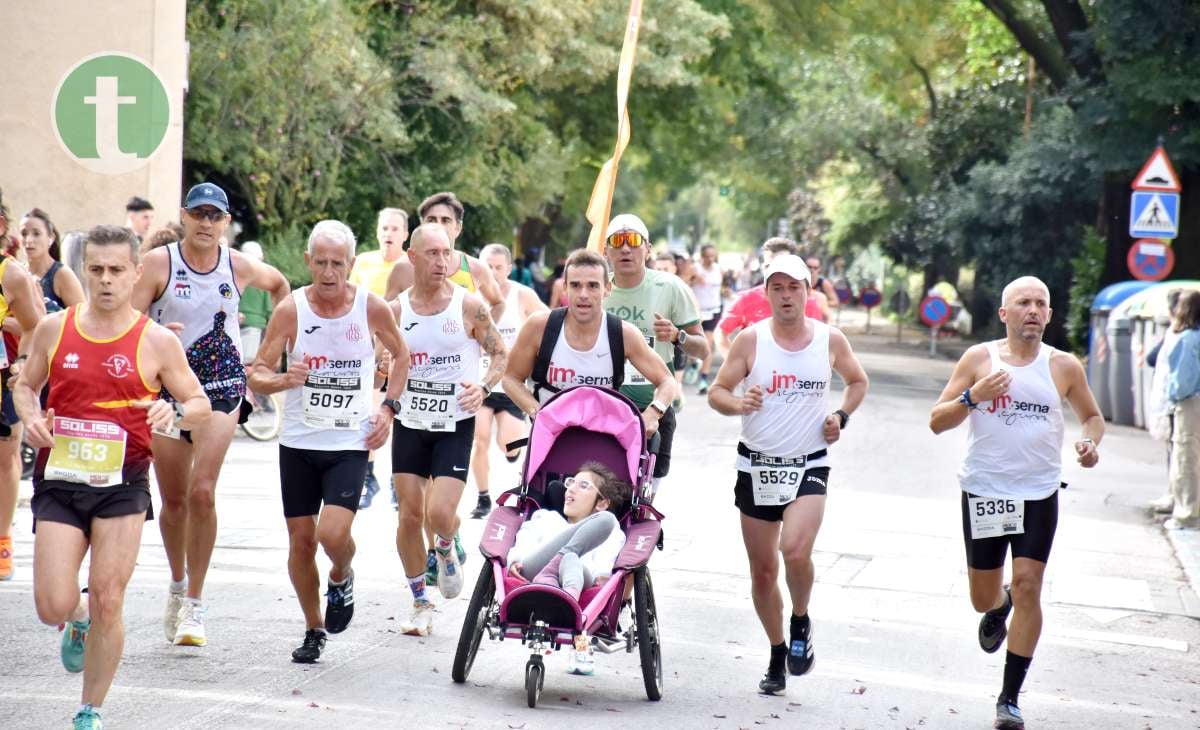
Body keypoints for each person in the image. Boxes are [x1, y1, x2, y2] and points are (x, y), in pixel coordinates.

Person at [15, 224, 210, 730]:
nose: (105, 280)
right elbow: (25, 385)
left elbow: (199, 403)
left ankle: (89, 710)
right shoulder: (55, 330)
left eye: (116, 270)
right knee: (52, 604)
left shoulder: (157, 341)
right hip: (61, 478)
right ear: (84, 270)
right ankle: (74, 622)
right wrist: (32, 417)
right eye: (96, 269)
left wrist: (174, 412)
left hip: (123, 483)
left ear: (136, 273)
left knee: (108, 595)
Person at [929, 276, 1103, 730]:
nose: (1032, 310)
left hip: (1039, 492)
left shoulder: (1064, 366)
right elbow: (936, 421)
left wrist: (1088, 443)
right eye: (1022, 302)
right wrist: (973, 396)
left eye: (1040, 304)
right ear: (1004, 314)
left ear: (1049, 315)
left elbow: (1092, 416)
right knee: (982, 597)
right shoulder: (978, 359)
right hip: (985, 490)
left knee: (1029, 585)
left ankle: (1009, 698)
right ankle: (997, 603)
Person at [132, 182, 290, 648]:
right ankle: (177, 585)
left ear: (225, 223)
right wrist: (155, 330)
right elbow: (128, 317)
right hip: (167, 386)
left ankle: (196, 606)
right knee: (174, 501)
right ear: (184, 216)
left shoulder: (236, 265)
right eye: (198, 214)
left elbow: (281, 286)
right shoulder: (160, 264)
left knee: (203, 492)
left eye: (214, 216)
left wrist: (267, 354)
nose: (205, 223)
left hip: (221, 382)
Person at [248, 220, 409, 663]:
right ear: (308, 261)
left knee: (332, 533)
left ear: (351, 264)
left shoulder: (372, 309)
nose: (329, 271)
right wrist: (283, 378)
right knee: (300, 541)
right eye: (320, 262)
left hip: (349, 443)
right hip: (298, 443)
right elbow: (258, 374)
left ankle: (341, 574)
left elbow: (402, 356)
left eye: (338, 263)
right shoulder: (291, 310)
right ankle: (313, 627)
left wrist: (387, 409)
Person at [707, 254, 868, 696]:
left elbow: (857, 382)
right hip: (757, 464)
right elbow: (717, 393)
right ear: (766, 294)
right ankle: (778, 651)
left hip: (809, 462)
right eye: (776, 288)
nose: (785, 296)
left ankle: (800, 619)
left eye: (793, 287)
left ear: (808, 290)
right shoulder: (750, 341)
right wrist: (740, 402)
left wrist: (841, 416)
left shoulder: (829, 339)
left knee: (794, 550)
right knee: (762, 571)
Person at [389, 223, 507, 636]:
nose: (442, 262)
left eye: (447, 254)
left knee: (439, 514)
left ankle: (445, 545)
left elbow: (499, 354)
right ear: (413, 257)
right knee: (408, 516)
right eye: (433, 254)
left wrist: (484, 386)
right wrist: (384, 381)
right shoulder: (396, 310)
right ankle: (421, 602)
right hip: (409, 422)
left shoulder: (469, 306)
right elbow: (381, 362)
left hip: (454, 422)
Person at [504, 248, 677, 418]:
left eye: (593, 286)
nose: (583, 294)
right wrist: (538, 412)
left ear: (607, 289)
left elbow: (667, 381)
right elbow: (511, 378)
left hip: (604, 438)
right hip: (551, 436)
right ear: (565, 288)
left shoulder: (624, 334)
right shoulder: (539, 326)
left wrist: (653, 413)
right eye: (575, 285)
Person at [603, 214, 707, 486]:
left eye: (634, 240)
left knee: (645, 492)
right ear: (606, 251)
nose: (626, 248)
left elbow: (704, 349)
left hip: (655, 406)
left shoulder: (670, 287)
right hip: (604, 406)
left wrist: (677, 335)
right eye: (617, 241)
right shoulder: (595, 289)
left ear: (648, 248)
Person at [507, 461, 630, 675]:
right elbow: (523, 541)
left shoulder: (611, 532)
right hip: (534, 571)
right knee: (571, 551)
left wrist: (603, 573)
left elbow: (607, 560)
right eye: (571, 482)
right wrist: (515, 559)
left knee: (574, 554)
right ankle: (568, 607)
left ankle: (568, 603)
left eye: (583, 486)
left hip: (580, 578)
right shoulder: (546, 518)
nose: (571, 488)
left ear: (601, 503)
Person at [469, 243, 547, 519]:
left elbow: (549, 322)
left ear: (509, 269)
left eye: (498, 268)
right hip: (479, 382)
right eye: (486, 266)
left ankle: (510, 455)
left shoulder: (522, 295)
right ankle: (483, 497)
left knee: (508, 444)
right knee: (479, 440)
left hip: (511, 385)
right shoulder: (469, 298)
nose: (491, 272)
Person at [350, 208, 409, 510]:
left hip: (403, 347)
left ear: (406, 234)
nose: (389, 234)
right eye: (384, 228)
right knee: (370, 410)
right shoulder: (363, 262)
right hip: (368, 344)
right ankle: (368, 476)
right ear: (376, 232)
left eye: (395, 229)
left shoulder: (411, 266)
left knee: (398, 413)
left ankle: (398, 479)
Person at [0, 233, 45, 582]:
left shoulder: (11, 274)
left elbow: (34, 326)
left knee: (5, 458)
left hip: (3, 376)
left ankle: (3, 542)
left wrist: (23, 364)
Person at [383, 192, 505, 320]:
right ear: (422, 223)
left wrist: (479, 332)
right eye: (431, 220)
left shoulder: (475, 268)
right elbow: (384, 317)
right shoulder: (402, 268)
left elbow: (499, 304)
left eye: (445, 220)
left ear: (458, 227)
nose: (438, 225)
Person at [716, 238, 801, 359]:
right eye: (768, 266)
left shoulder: (809, 301)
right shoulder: (746, 299)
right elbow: (720, 333)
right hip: (755, 376)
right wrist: (735, 366)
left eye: (780, 266)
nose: (773, 271)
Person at [1164, 290, 1200, 530]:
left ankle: (1187, 515)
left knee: (1186, 456)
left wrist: (1172, 395)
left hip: (1190, 403)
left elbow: (1184, 380)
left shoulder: (1188, 339)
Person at [1147, 289, 1185, 514]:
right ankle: (1174, 494)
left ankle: (1175, 496)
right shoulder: (1179, 333)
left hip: (1177, 401)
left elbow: (1152, 358)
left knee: (1179, 451)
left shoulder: (1182, 335)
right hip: (1174, 401)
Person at [20, 208, 85, 313]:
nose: (29, 240)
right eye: (24, 234)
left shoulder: (62, 274)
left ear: (50, 238)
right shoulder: (17, 272)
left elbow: (80, 318)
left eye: (36, 234)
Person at [691, 244, 723, 394]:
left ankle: (703, 380)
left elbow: (723, 288)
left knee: (708, 343)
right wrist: (695, 281)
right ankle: (694, 362)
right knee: (693, 345)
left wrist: (727, 293)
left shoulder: (719, 269)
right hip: (696, 312)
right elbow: (683, 284)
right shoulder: (695, 269)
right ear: (702, 256)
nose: (710, 259)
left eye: (713, 256)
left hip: (714, 310)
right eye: (707, 256)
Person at [236, 241, 272, 365]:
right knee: (248, 362)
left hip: (234, 321)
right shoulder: (265, 279)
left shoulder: (235, 275)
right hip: (255, 325)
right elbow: (269, 309)